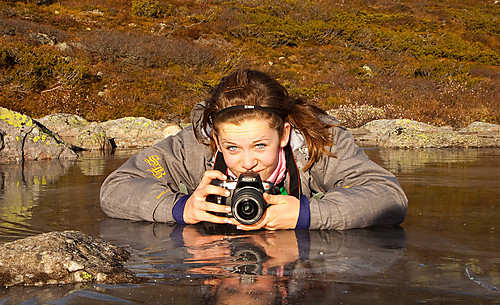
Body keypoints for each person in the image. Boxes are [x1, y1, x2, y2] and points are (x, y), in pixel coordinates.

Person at [100, 69, 407, 230]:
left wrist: (308, 214)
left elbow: (388, 196)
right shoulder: (191, 146)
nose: (248, 162)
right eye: (232, 148)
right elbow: (115, 189)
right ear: (217, 142)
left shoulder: (321, 142)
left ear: (284, 134)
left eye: (260, 145)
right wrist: (181, 208)